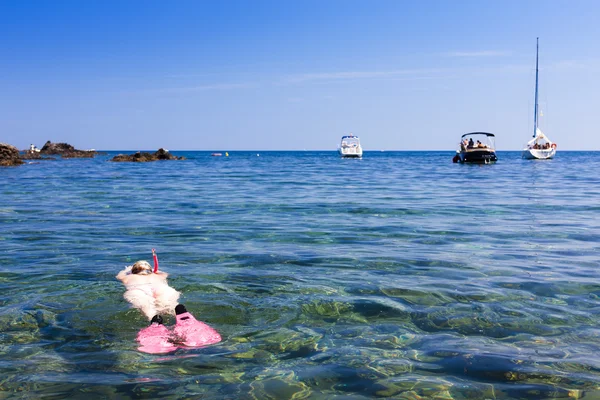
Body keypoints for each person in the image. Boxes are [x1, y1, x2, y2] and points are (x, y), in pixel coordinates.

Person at [116, 258, 181, 321]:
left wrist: (126, 270)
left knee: (148, 309)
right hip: (160, 287)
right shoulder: (158, 275)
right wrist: (155, 271)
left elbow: (119, 276)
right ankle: (181, 316)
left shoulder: (128, 277)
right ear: (150, 269)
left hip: (138, 290)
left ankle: (155, 320)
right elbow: (165, 274)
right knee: (170, 305)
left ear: (133, 271)